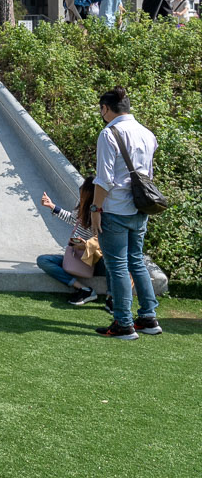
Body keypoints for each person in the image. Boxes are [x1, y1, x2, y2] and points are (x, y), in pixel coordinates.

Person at [93, 87, 162, 339]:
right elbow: (148, 174)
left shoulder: (109, 133)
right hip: (139, 207)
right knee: (136, 260)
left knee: (118, 266)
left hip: (115, 208)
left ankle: (123, 323)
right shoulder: (147, 133)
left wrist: (95, 209)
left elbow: (104, 179)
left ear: (106, 109)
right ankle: (148, 317)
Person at [36, 177, 109, 306]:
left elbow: (104, 240)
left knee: (113, 262)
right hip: (76, 255)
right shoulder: (81, 205)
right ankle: (82, 288)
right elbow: (72, 219)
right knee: (43, 260)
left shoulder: (102, 212)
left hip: (96, 259)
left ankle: (112, 297)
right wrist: (52, 206)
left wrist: (86, 246)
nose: (81, 197)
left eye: (83, 194)